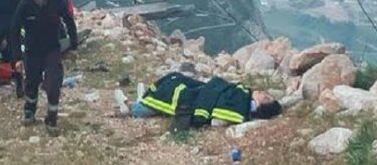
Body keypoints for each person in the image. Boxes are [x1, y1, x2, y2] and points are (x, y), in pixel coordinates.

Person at [11, 0, 77, 134]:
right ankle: (29, 111)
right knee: (31, 83)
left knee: (54, 83)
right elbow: (14, 31)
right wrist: (16, 57)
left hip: (52, 50)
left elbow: (69, 21)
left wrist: (74, 46)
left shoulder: (57, 0)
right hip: (32, 51)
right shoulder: (24, 4)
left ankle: (52, 118)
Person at [115, 73, 282, 130]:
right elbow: (221, 89)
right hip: (204, 91)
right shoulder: (242, 94)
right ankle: (145, 99)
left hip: (197, 102)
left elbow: (219, 112)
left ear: (260, 107)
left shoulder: (242, 105)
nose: (263, 93)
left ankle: (133, 108)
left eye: (266, 98)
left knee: (177, 94)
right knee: (178, 80)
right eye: (266, 93)